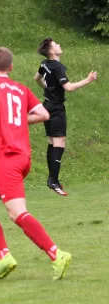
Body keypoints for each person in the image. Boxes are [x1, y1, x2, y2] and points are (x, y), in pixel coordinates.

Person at [0, 47, 72, 281]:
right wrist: (19, 121)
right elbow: (44, 114)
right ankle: (5, 256)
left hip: (8, 156)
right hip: (20, 157)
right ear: (11, 67)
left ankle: (57, 254)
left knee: (16, 213)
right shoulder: (22, 89)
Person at [34, 38, 97, 196]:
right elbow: (68, 87)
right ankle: (53, 180)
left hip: (46, 105)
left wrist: (47, 90)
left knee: (51, 141)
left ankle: (52, 178)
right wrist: (87, 80)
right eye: (56, 44)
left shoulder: (44, 64)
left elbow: (37, 78)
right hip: (56, 108)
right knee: (59, 142)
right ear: (51, 51)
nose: (59, 45)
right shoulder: (58, 67)